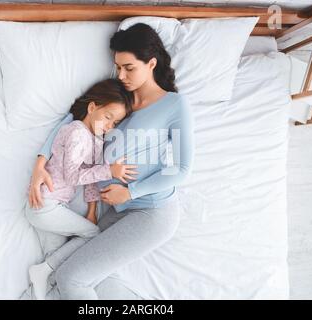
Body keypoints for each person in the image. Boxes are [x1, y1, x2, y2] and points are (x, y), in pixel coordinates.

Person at [28, 23, 195, 299]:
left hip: (152, 212)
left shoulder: (174, 106)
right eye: (118, 67)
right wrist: (40, 162)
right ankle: (42, 272)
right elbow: (74, 118)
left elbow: (182, 169)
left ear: (151, 63)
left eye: (129, 68)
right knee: (79, 274)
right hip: (115, 211)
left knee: (71, 278)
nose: (122, 75)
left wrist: (130, 191)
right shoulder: (120, 98)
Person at [25, 79, 136, 300]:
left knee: (57, 260)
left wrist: (93, 210)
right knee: (92, 235)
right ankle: (42, 269)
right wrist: (109, 171)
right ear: (92, 107)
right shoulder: (76, 132)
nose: (109, 126)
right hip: (45, 205)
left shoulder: (95, 141)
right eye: (107, 117)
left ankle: (44, 283)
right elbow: (72, 175)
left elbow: (90, 182)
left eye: (115, 123)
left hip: (54, 207)